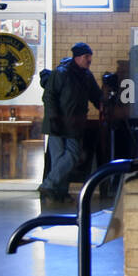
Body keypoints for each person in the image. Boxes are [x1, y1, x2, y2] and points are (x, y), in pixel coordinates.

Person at [39, 42, 102, 204]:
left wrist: (102, 104)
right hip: (58, 122)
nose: (90, 60)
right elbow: (49, 96)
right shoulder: (61, 73)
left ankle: (49, 186)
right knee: (61, 157)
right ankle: (59, 193)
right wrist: (53, 118)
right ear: (78, 57)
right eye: (87, 57)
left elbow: (95, 94)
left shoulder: (86, 75)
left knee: (69, 157)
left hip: (74, 123)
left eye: (90, 57)